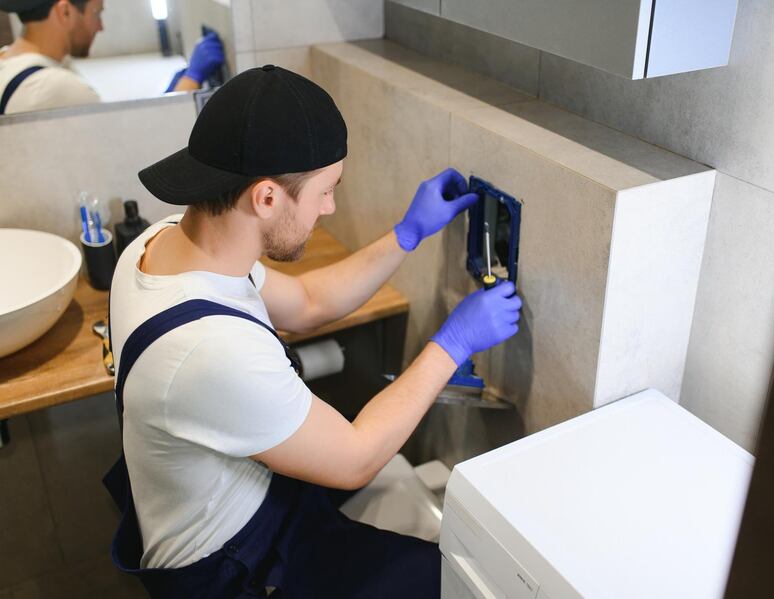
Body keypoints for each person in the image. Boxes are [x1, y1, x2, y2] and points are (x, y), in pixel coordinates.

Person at [104, 64, 522, 597]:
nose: (330, 206)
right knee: (448, 581)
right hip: (234, 568)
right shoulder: (209, 350)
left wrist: (406, 235)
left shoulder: (165, 242)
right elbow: (356, 458)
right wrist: (453, 342)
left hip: (249, 497)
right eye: (326, 191)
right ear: (267, 197)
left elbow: (306, 301)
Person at [0, 0, 223, 115]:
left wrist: (172, 92)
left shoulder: (7, 58)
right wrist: (192, 78)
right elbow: (133, 142)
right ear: (65, 11)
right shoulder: (51, 86)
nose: (100, 26)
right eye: (96, 13)